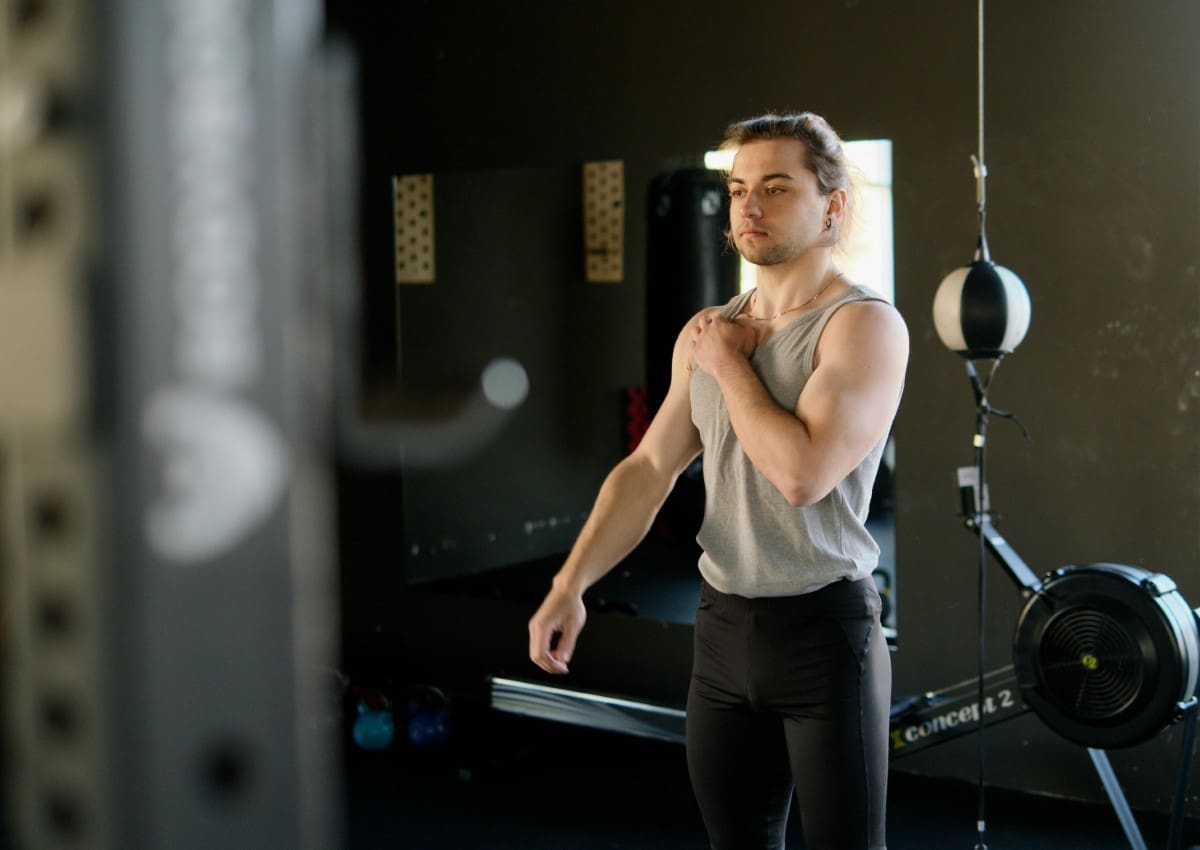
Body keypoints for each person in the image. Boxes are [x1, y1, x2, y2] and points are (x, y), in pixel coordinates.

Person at [528, 111, 908, 850]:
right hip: (724, 633)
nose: (749, 208)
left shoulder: (861, 326)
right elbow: (648, 468)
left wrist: (730, 365)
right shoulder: (705, 330)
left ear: (832, 206)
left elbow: (802, 475)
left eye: (775, 187)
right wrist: (569, 584)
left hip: (825, 636)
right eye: (737, 190)